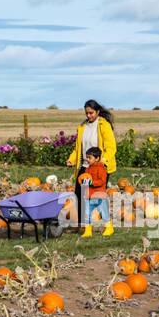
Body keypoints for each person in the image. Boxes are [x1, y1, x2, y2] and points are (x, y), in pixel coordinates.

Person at [67, 99, 117, 232]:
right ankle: (81, 225)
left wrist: (103, 161)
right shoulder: (83, 126)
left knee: (96, 197)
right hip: (85, 166)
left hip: (99, 167)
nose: (88, 116)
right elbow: (78, 148)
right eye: (87, 113)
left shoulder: (103, 125)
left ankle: (106, 224)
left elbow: (111, 147)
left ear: (97, 112)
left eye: (91, 113)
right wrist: (71, 159)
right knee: (79, 195)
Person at [78, 146, 112, 237]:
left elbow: (102, 181)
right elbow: (85, 178)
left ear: (97, 158)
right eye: (87, 157)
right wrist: (82, 180)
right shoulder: (88, 168)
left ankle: (109, 228)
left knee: (103, 212)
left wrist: (92, 182)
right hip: (89, 195)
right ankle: (88, 230)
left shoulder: (101, 168)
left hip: (99, 195)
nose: (88, 159)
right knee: (87, 213)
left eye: (90, 158)